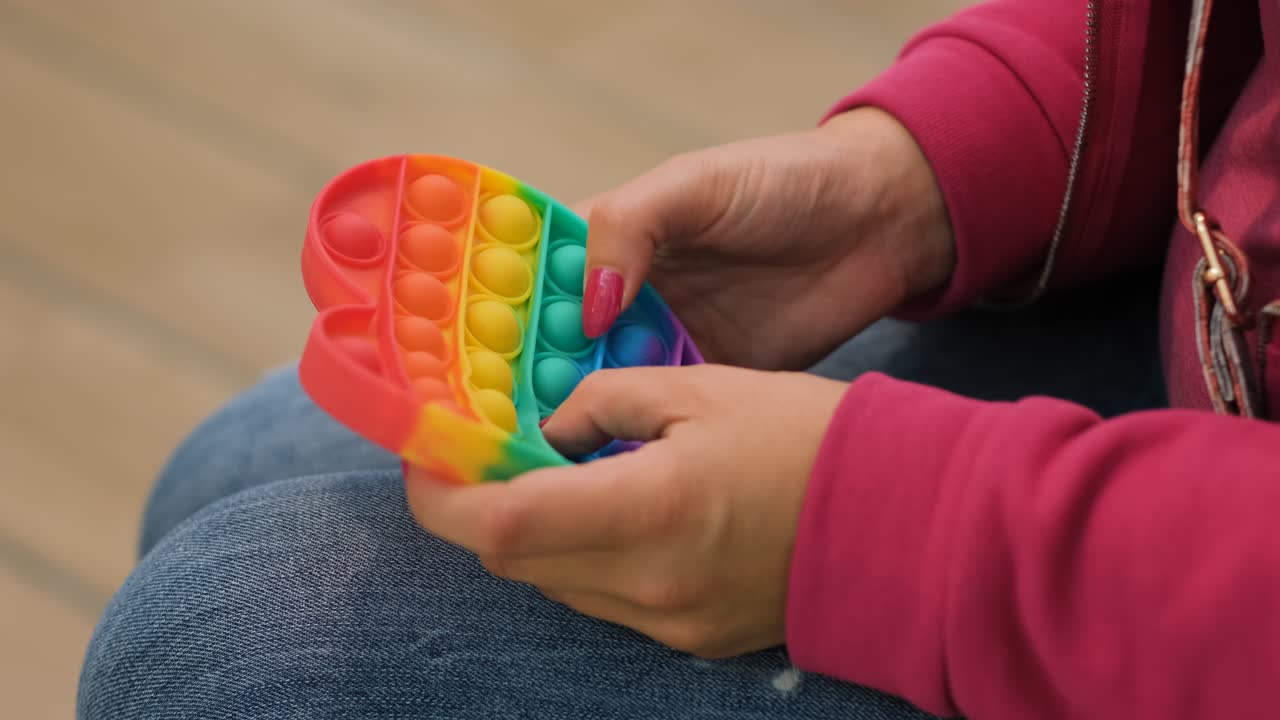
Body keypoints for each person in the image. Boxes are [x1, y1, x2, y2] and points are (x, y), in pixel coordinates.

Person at [78, 0, 1278, 718]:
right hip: (1196, 373)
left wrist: (900, 533)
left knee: (228, 648)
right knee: (238, 464)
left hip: (1194, 610)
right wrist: (931, 176)